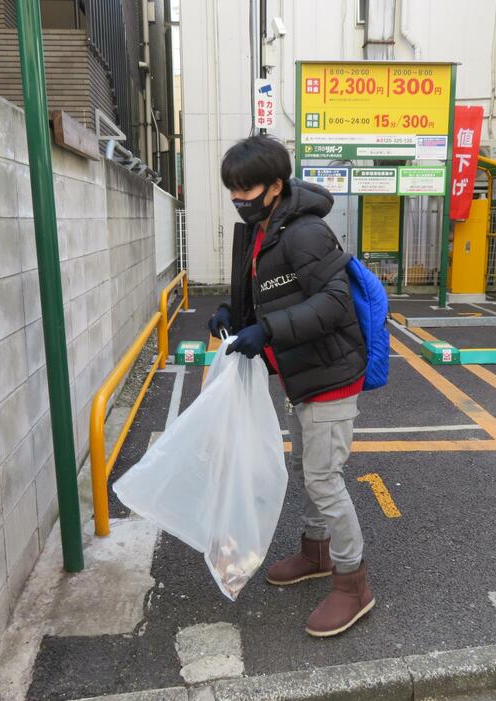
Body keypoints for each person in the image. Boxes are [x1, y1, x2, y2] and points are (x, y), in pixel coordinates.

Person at [207, 135, 375, 637]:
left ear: (275, 186)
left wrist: (270, 332)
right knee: (306, 469)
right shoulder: (265, 227)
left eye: (247, 188)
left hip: (331, 376)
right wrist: (233, 315)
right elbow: (272, 293)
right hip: (305, 376)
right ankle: (315, 552)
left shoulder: (305, 233)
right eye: (232, 190)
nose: (238, 198)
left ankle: (354, 583)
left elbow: (335, 305)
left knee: (324, 479)